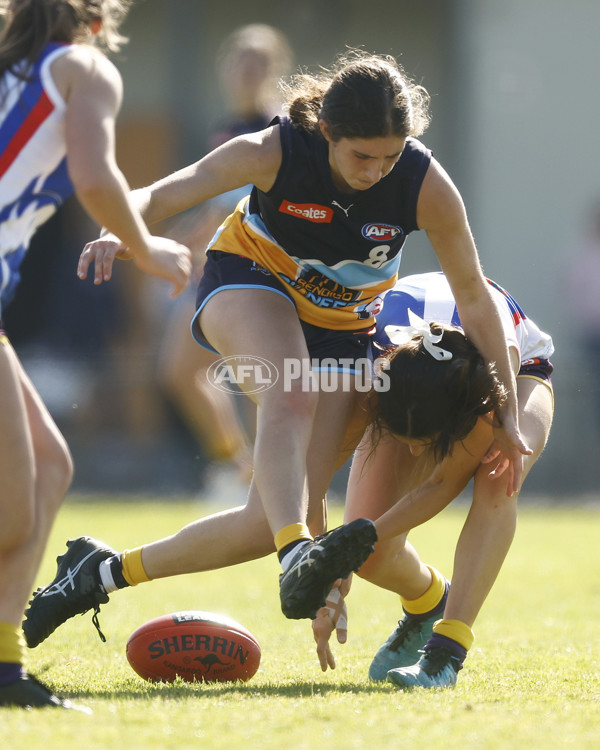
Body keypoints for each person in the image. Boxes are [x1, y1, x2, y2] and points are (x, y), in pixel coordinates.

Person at [22, 50, 532, 650]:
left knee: (269, 518)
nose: (375, 172)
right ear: (327, 133)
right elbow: (167, 192)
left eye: (389, 157)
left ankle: (101, 571)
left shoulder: (425, 187)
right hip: (249, 279)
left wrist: (509, 414)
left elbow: (473, 297)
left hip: (345, 327)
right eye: (361, 156)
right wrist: (120, 231)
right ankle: (294, 552)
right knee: (288, 391)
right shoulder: (275, 150)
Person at [0, 0, 191, 710]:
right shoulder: (84, 69)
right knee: (14, 509)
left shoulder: (14, 70)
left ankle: (5, 666)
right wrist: (150, 248)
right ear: (98, 18)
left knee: (50, 467)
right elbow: (94, 177)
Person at [311, 271, 554, 687]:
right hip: (415, 375)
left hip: (512, 375)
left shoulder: (480, 386)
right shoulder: (364, 370)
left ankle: (446, 653)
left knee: (500, 474)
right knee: (373, 558)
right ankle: (428, 602)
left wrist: (348, 542)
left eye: (425, 441)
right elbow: (312, 473)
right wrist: (328, 566)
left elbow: (442, 485)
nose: (417, 454)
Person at [157, 24, 293, 497]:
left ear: (275, 69)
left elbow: (244, 203)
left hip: (262, 270)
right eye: (239, 59)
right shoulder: (228, 128)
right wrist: (181, 238)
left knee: (262, 383)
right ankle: (240, 471)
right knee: (181, 371)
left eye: (257, 61)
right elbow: (220, 202)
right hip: (220, 266)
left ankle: (268, 486)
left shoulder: (279, 126)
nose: (246, 70)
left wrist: (188, 237)